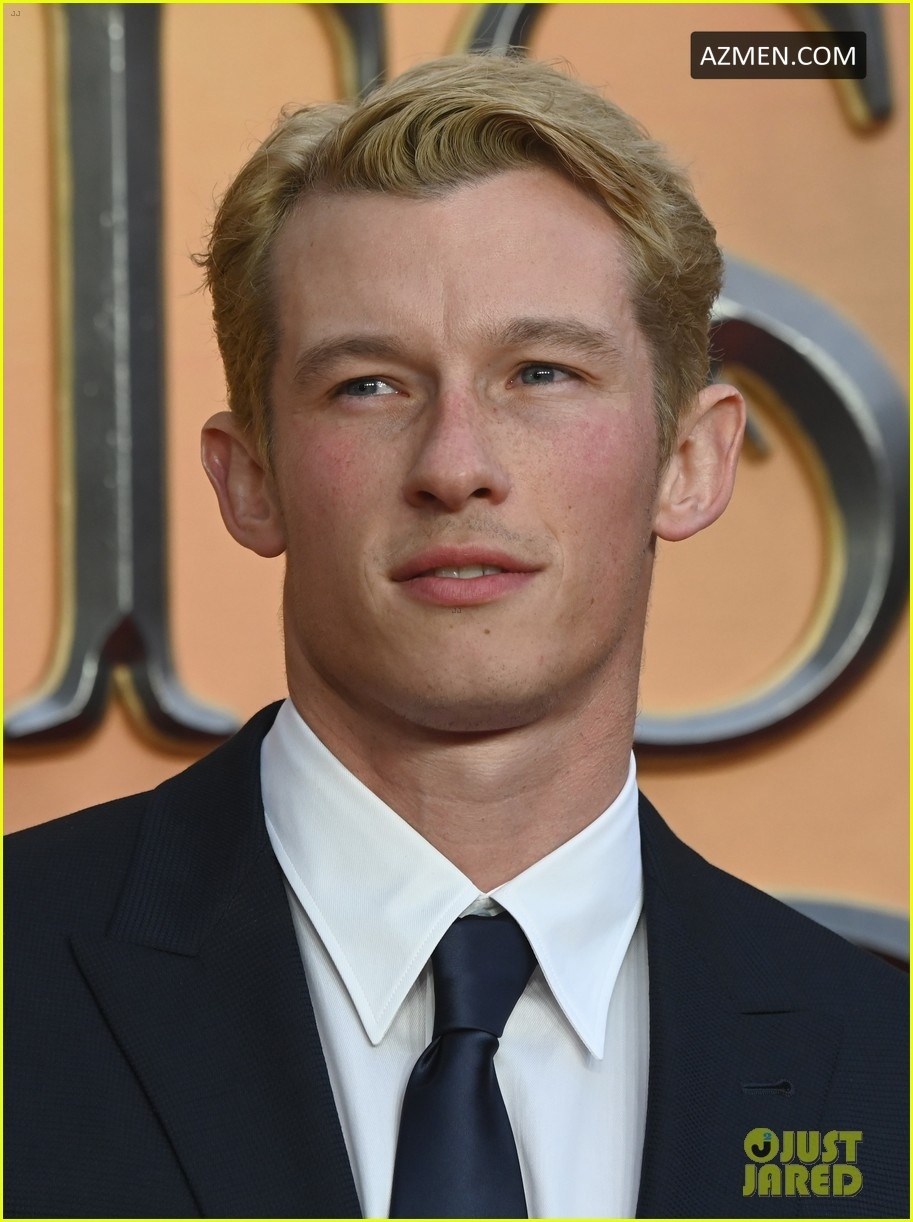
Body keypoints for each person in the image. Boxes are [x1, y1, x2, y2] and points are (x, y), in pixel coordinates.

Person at [5, 54, 906, 1220]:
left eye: (540, 372)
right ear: (251, 479)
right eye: (369, 385)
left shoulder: (884, 1071)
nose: (455, 466)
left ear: (690, 460)